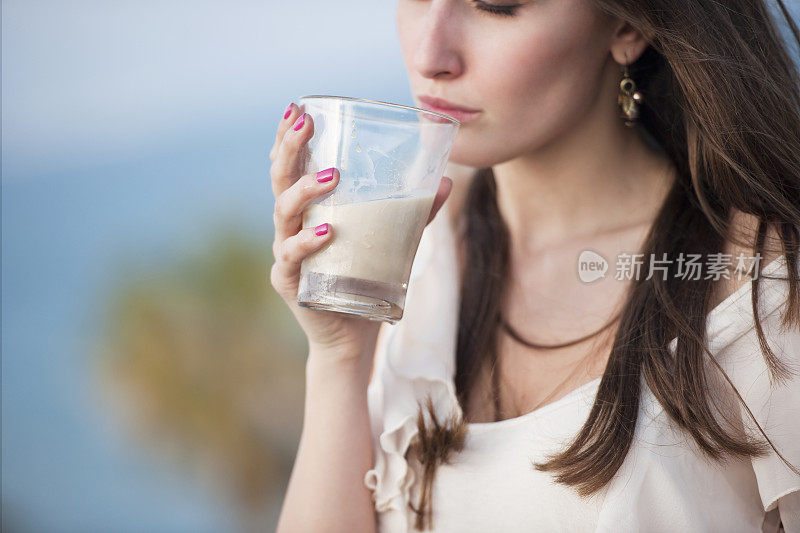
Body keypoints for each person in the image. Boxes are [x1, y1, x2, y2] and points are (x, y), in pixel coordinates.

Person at [270, 0, 800, 531]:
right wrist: (339, 355)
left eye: (497, 7)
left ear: (625, 25)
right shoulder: (411, 249)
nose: (430, 55)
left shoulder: (764, 289)